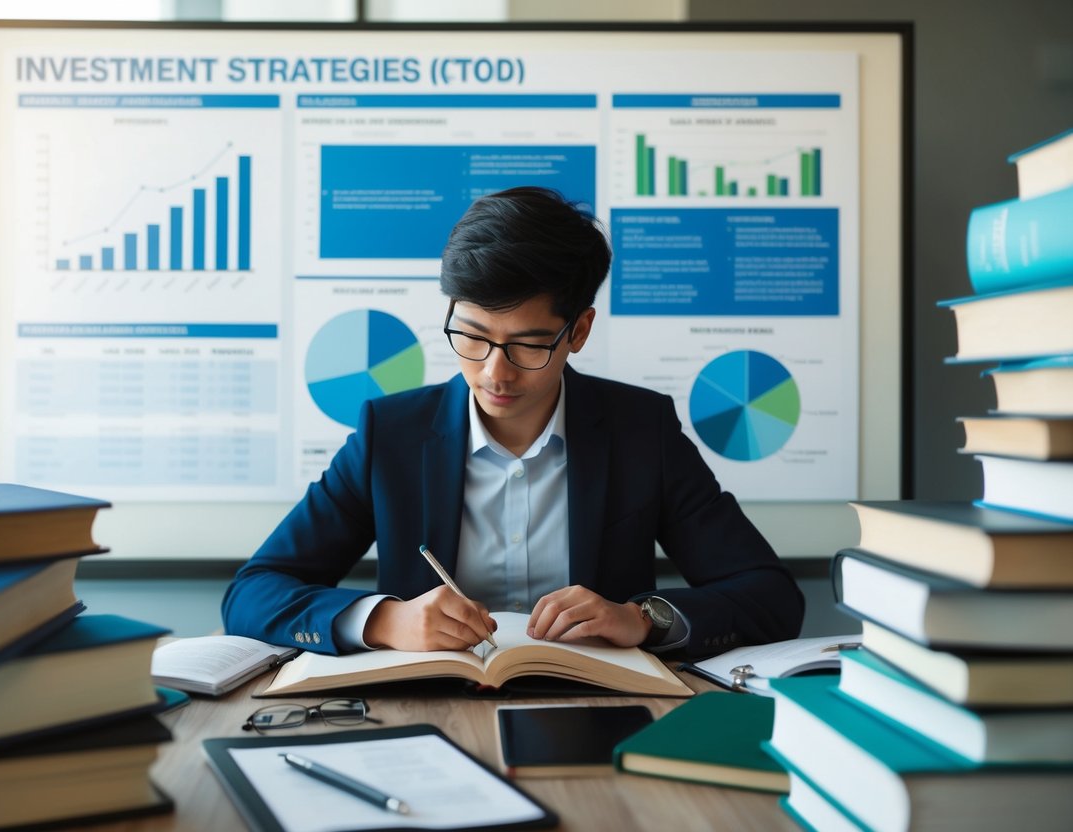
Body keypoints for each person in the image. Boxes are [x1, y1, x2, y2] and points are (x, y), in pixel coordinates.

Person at [223, 186, 804, 658]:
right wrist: (384, 621)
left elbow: (771, 596)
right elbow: (253, 593)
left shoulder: (640, 430)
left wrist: (643, 619)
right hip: (426, 712)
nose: (494, 372)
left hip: (601, 711)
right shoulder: (390, 434)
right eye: (472, 337)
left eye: (528, 345)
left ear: (577, 332)